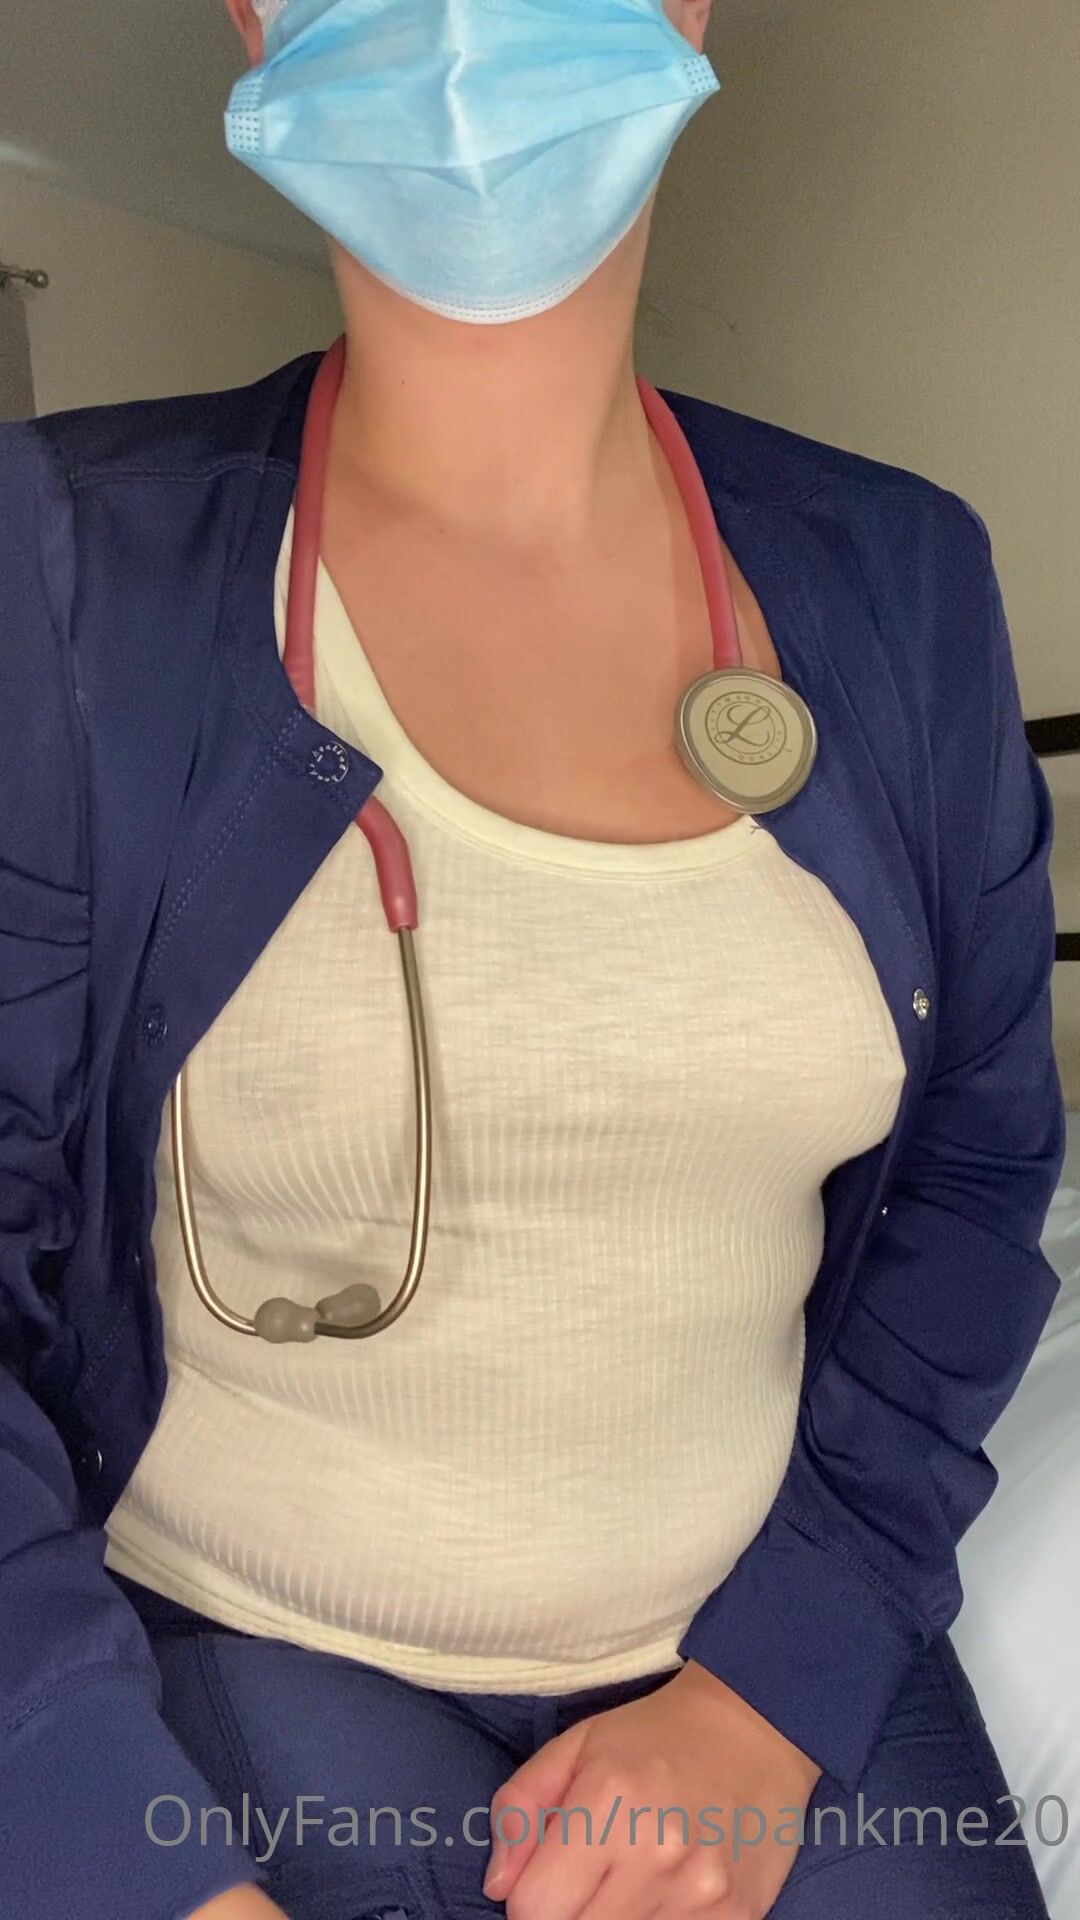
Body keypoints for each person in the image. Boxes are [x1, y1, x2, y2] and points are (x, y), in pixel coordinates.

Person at [0, 2, 1066, 1917]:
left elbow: (981, 1178)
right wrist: (100, 1839)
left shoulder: (904, 580)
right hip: (256, 1633)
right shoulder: (59, 568)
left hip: (761, 1632)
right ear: (251, 9)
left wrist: (770, 1694)